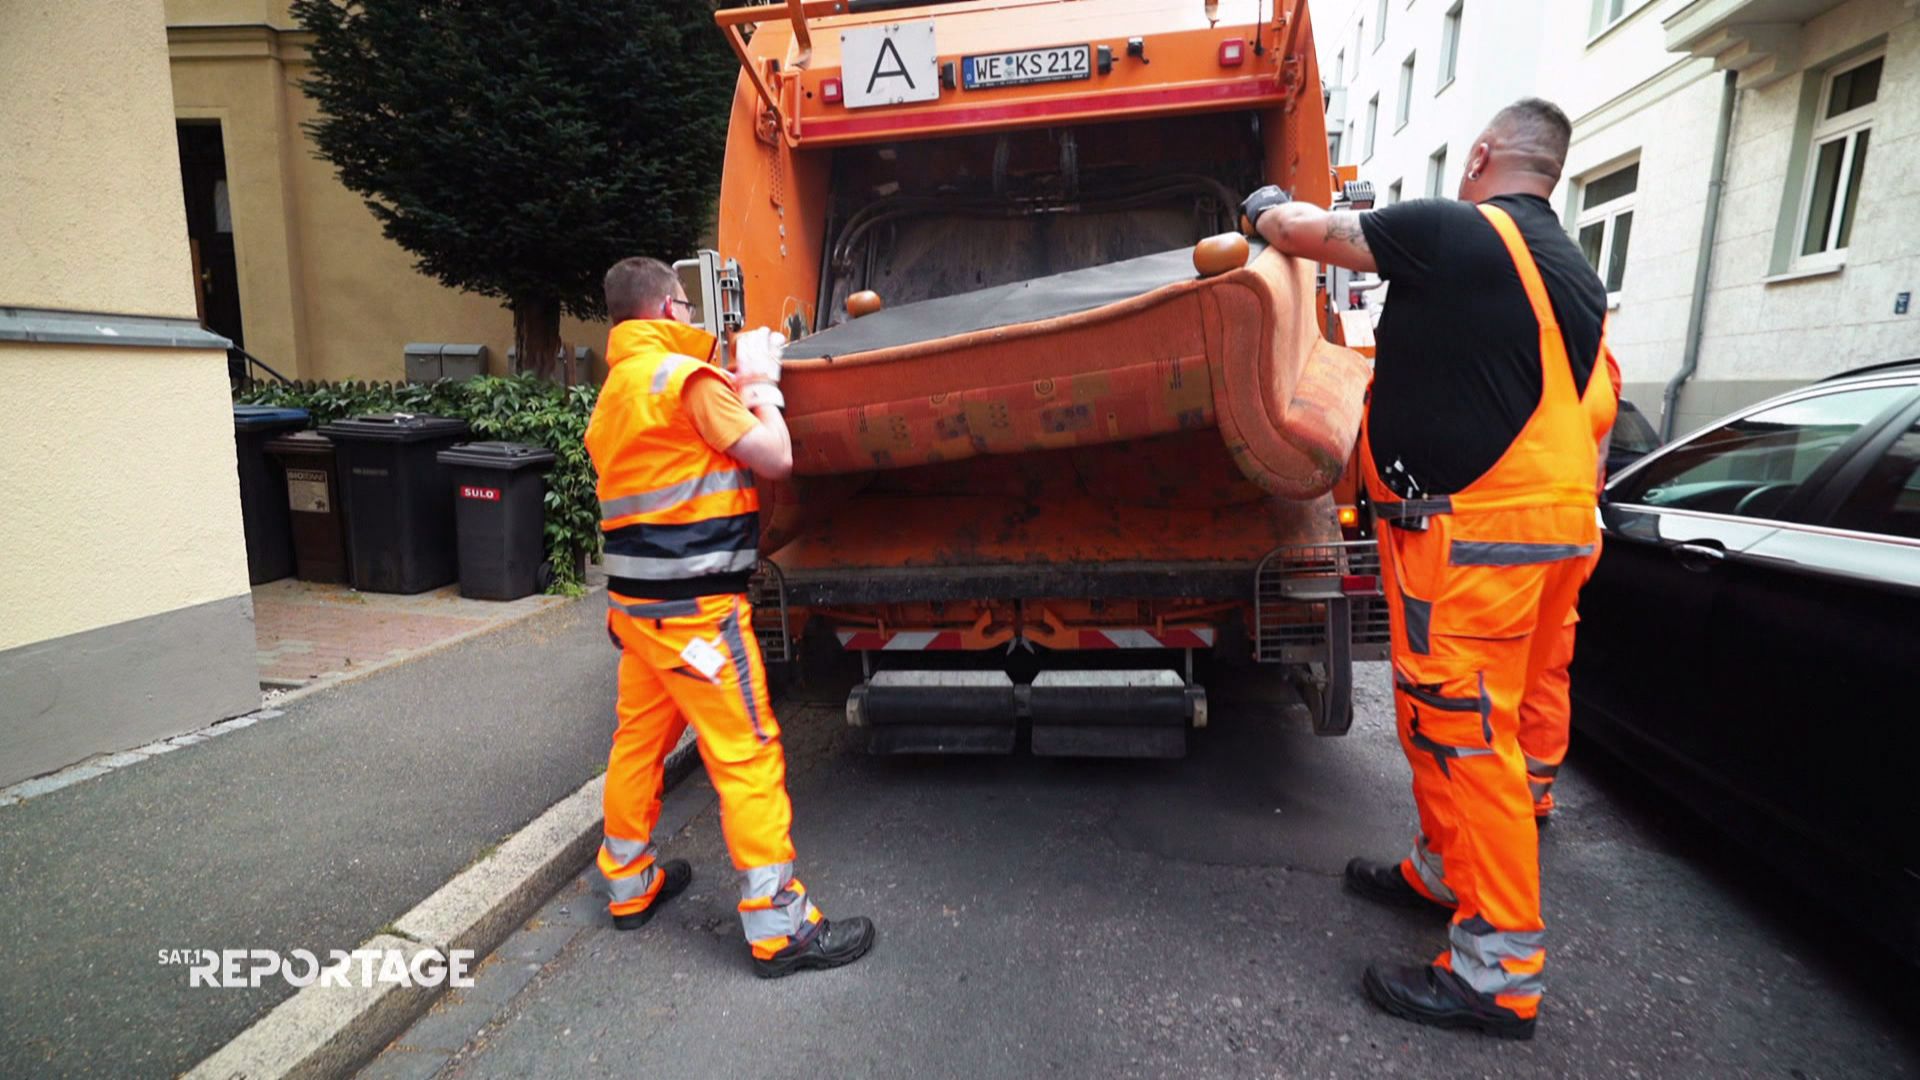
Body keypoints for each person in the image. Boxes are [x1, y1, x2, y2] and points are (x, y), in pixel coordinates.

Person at [1242, 98, 1616, 1038]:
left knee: (1466, 737)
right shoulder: (1568, 268)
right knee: (1450, 721)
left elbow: (1306, 231)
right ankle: (1444, 874)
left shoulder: (1454, 232)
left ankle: (1495, 974)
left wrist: (1258, 209)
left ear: (1482, 154)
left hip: (1477, 537)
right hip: (1541, 526)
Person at [585, 256, 875, 977]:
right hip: (701, 618)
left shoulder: (614, 392)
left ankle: (629, 886)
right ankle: (780, 930)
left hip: (640, 620)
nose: (691, 316)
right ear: (667, 309)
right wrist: (761, 384)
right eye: (685, 304)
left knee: (636, 747)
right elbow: (774, 457)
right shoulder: (687, 382)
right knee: (746, 755)